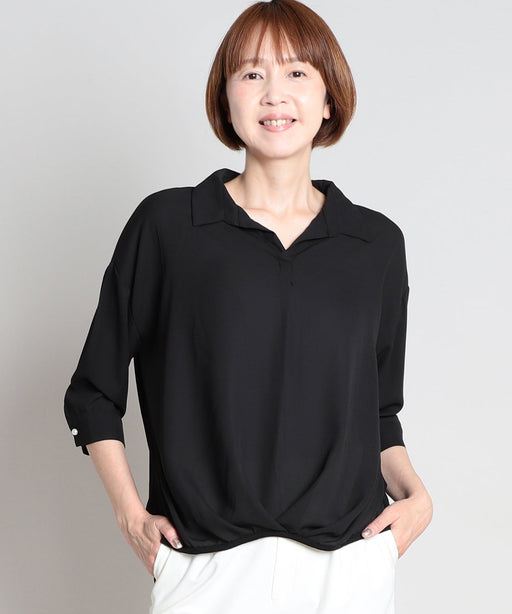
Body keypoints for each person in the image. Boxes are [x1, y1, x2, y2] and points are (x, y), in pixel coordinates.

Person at [63, 1, 433, 612]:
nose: (274, 94)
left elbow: (377, 413)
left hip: (350, 567)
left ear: (329, 99)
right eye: (252, 73)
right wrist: (131, 517)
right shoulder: (168, 227)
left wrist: (417, 498)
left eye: (297, 73)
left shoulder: (375, 245)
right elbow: (92, 395)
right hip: (207, 567)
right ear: (226, 98)